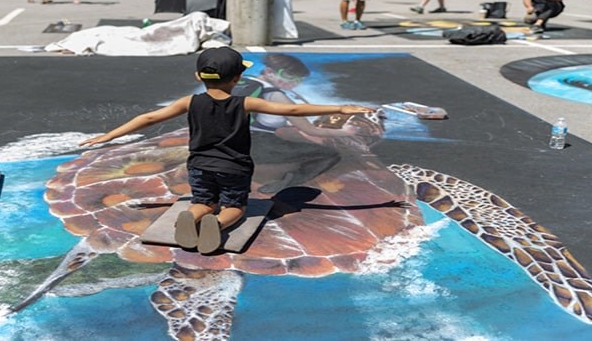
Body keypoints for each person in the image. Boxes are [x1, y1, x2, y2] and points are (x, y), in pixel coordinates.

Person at [80, 47, 373, 255]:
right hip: (234, 167)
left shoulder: (189, 102)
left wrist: (108, 135)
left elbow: (148, 119)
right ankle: (217, 224)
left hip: (199, 166)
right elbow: (293, 108)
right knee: (235, 207)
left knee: (204, 201)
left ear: (199, 76)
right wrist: (341, 107)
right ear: (236, 80)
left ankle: (193, 217)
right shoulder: (245, 103)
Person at [233, 53, 372, 194]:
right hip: (256, 146)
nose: (293, 83)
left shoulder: (242, 82)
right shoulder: (275, 95)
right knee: (329, 155)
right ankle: (285, 184)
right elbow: (311, 130)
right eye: (289, 76)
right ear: (269, 72)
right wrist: (345, 132)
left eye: (298, 80)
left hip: (227, 139)